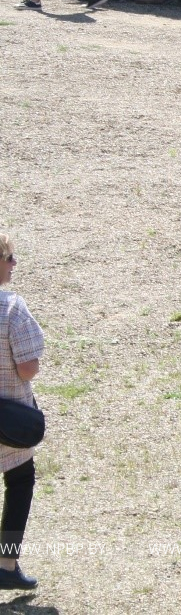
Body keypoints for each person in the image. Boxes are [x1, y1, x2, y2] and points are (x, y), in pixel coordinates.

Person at [0, 233, 42, 592]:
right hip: (8, 419)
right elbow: (28, 368)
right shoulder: (12, 308)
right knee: (19, 481)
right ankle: (6, 563)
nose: (14, 263)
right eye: (10, 257)